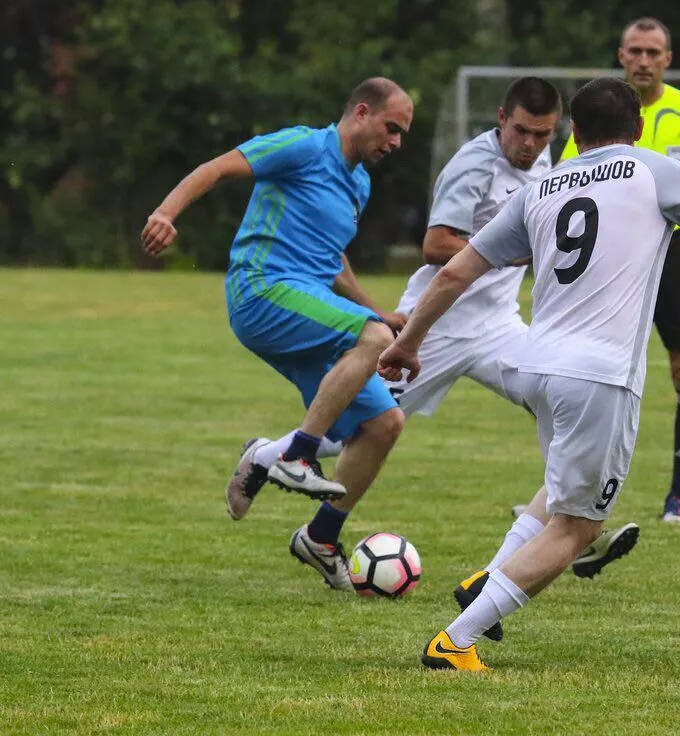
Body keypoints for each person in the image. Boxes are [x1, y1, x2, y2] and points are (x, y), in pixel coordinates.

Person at [378, 77, 680, 671]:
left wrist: (407, 342)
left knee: (558, 493)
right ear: (639, 128)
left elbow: (453, 273)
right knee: (578, 526)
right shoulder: (657, 171)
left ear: (574, 133)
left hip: (535, 365)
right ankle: (456, 641)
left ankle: (489, 578)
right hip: (599, 375)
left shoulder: (541, 187)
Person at [231, 78, 639, 590]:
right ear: (501, 119)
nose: (531, 144)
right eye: (521, 131)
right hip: (435, 328)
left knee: (564, 404)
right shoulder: (474, 164)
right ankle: (268, 455)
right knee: (362, 429)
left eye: (542, 134)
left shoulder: (546, 164)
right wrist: (516, 252)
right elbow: (436, 244)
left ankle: (568, 525)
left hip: (499, 328)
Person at [142, 77, 414, 582]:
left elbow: (330, 257)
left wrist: (375, 309)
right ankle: (296, 456)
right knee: (373, 339)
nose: (396, 142)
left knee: (385, 424)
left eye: (401, 134)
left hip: (306, 306)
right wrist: (165, 213)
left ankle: (320, 537)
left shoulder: (359, 183)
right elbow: (216, 168)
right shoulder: (304, 147)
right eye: (391, 128)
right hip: (261, 289)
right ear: (361, 112)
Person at [558, 17, 680, 524]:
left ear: (668, 59)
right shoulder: (598, 110)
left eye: (652, 52)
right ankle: (566, 491)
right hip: (614, 251)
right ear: (621, 56)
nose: (643, 60)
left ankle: (677, 496)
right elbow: (567, 180)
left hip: (679, 252)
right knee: (589, 367)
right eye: (634, 51)